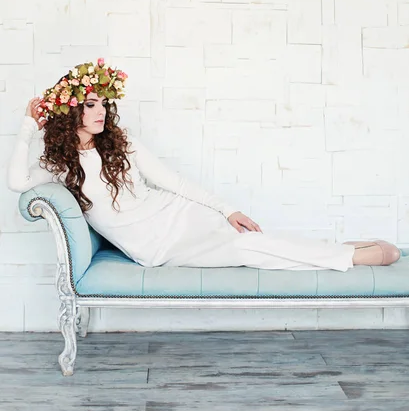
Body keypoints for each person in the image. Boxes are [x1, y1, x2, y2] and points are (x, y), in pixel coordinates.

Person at [7, 58, 401, 272]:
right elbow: (16, 182)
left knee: (250, 244)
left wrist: (227, 208)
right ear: (68, 112)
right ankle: (344, 253)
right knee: (248, 251)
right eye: (90, 105)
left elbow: (173, 182)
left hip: (179, 215)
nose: (101, 113)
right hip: (157, 245)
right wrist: (28, 124)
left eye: (103, 105)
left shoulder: (121, 143)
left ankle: (343, 254)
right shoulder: (57, 164)